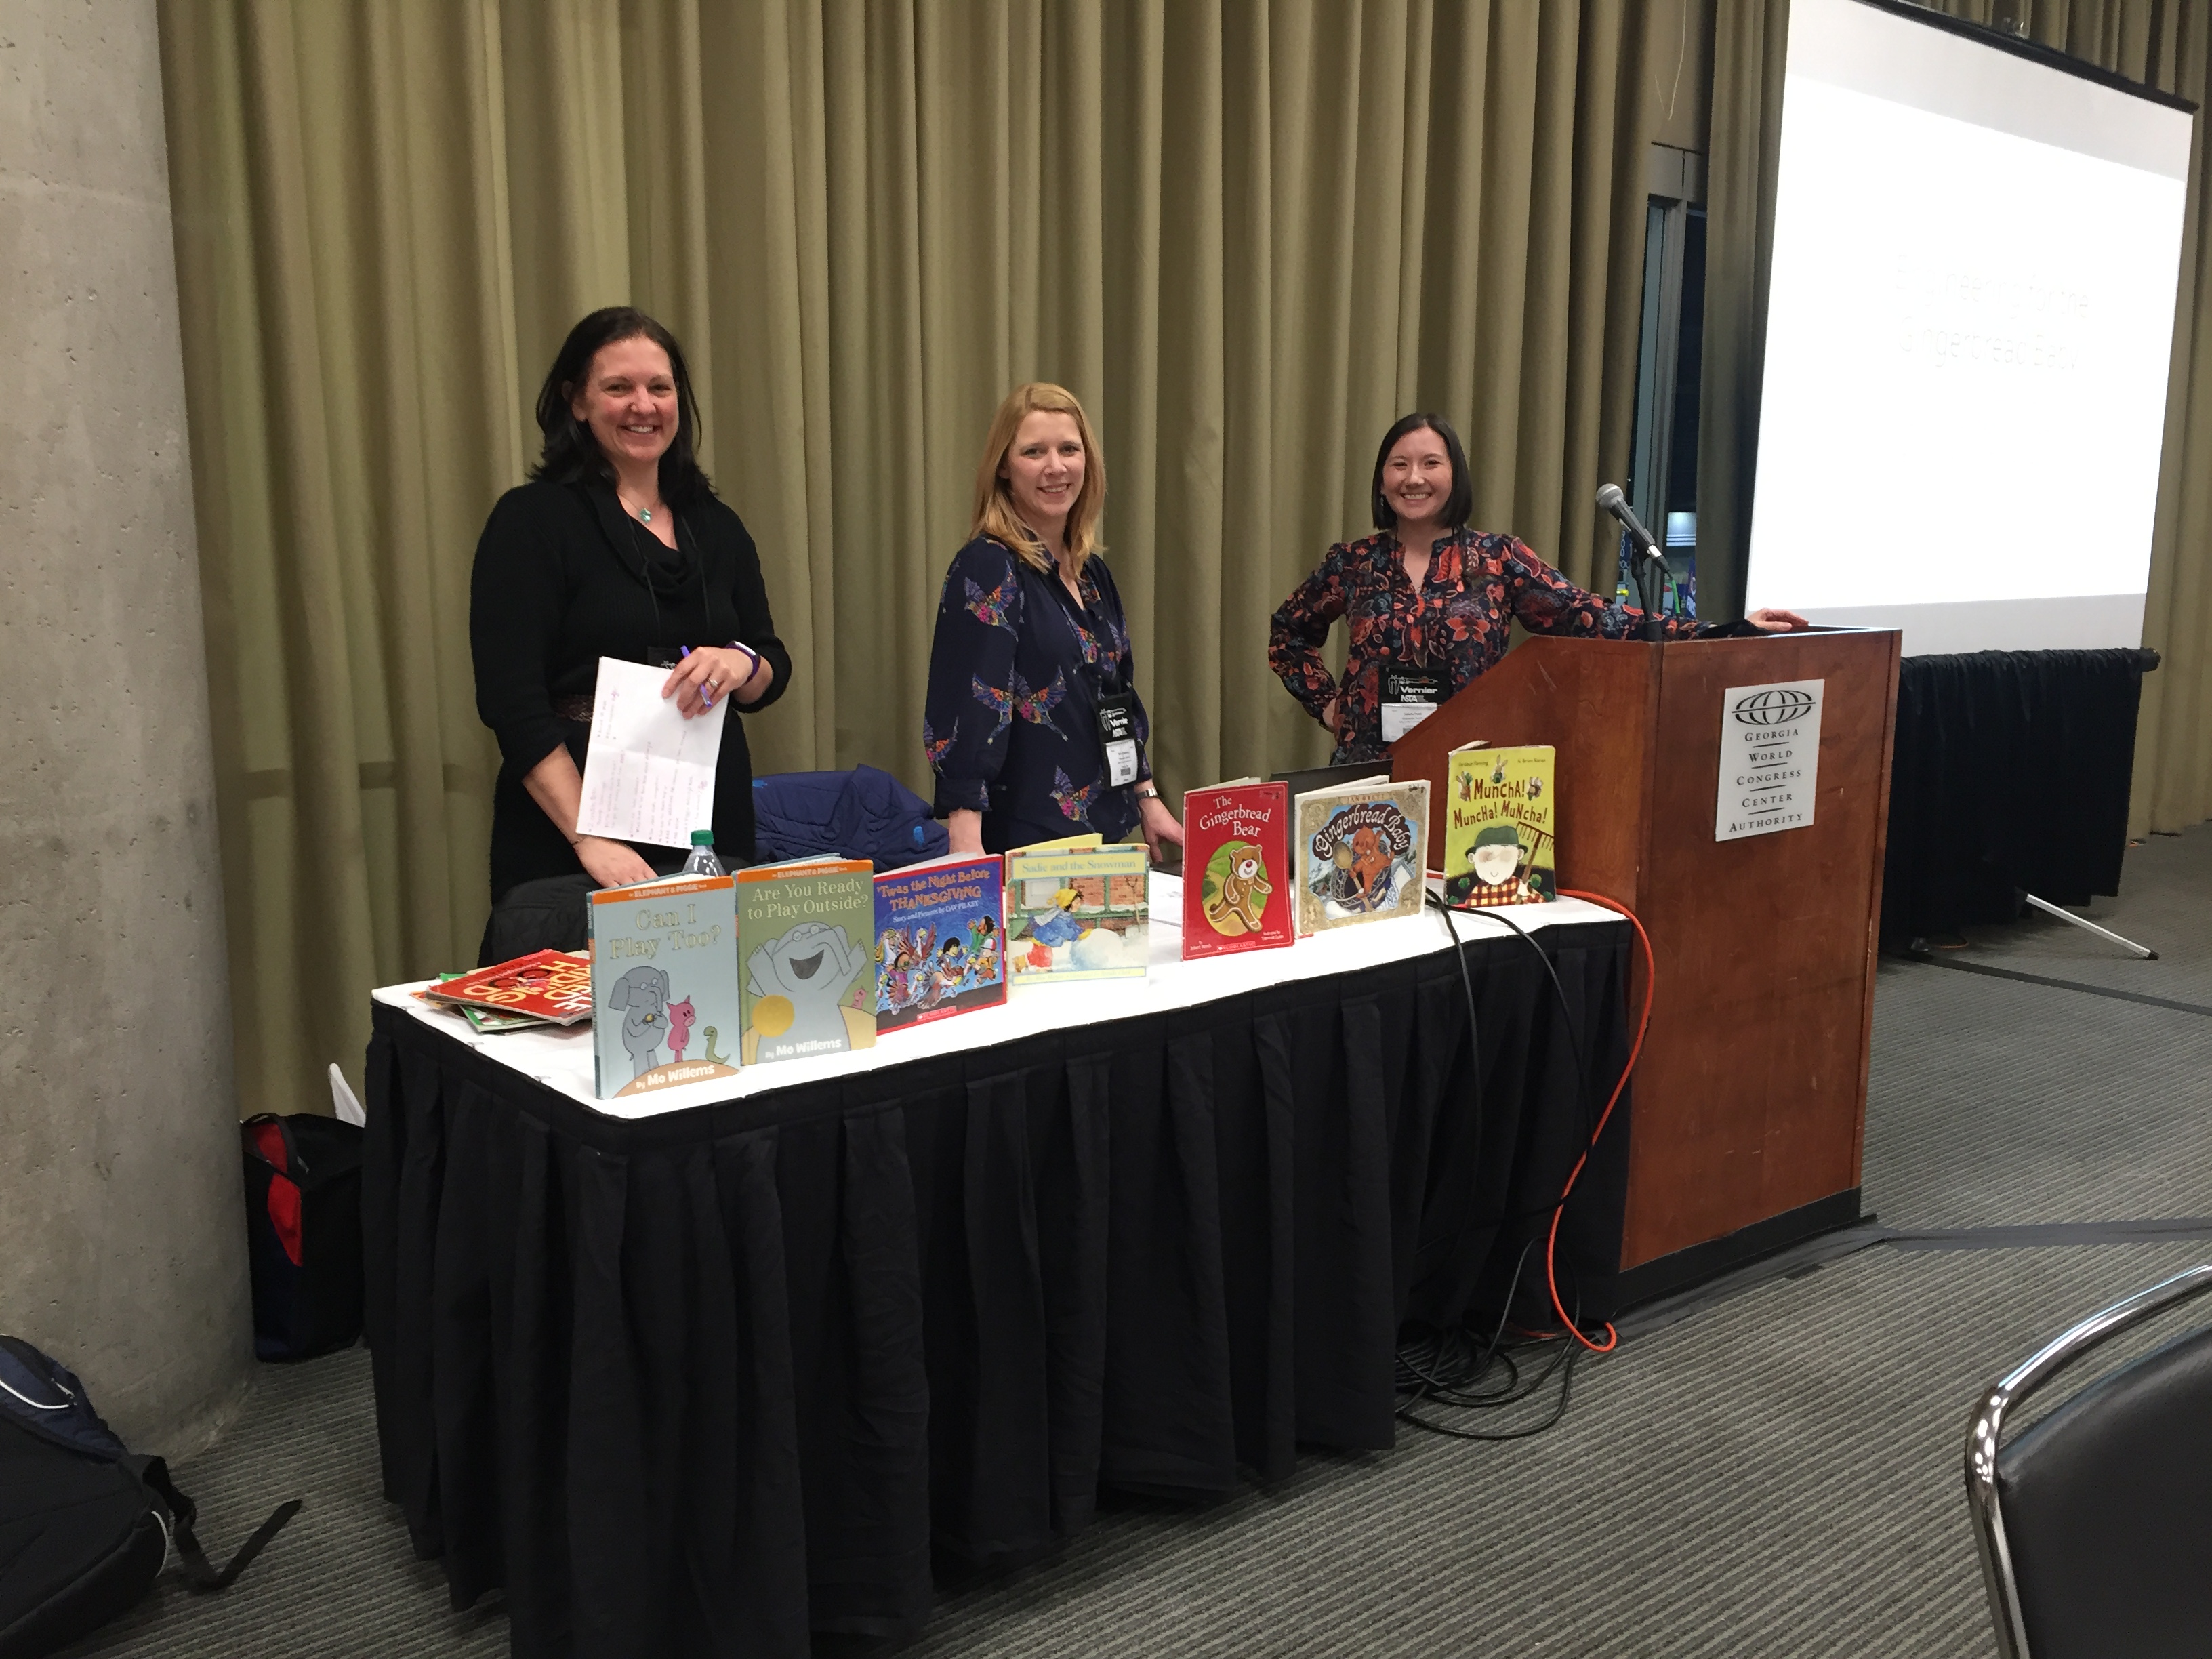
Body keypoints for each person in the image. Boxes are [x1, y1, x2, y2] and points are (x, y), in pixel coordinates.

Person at [470, 306, 790, 958]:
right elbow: (512, 704)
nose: (643, 406)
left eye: (660, 388)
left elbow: (770, 663)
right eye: (618, 388)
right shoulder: (532, 521)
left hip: (707, 821)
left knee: (706, 1034)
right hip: (572, 837)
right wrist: (590, 837)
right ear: (576, 403)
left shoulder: (716, 525)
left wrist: (739, 663)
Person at [1269, 413, 1806, 765]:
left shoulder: (1500, 559)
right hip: (1370, 769)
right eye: (1400, 464)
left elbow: (1593, 618)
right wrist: (1328, 706)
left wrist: (1723, 631)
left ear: (1454, 475)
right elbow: (1287, 634)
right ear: (1383, 480)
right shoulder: (1353, 563)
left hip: (1473, 768)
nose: (1415, 477)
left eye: (1431, 463)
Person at [922, 382, 1184, 860]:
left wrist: (1147, 797)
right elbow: (967, 707)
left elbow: (1115, 695)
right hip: (1023, 838)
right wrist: (965, 844)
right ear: (1004, 467)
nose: (1055, 467)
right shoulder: (988, 565)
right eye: (1033, 452)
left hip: (1101, 831)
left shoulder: (1093, 574)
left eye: (1069, 449)